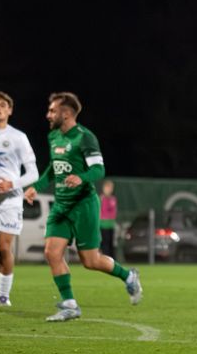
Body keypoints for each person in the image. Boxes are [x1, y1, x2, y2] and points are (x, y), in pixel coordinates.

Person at [23, 92, 142, 321]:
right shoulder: (53, 136)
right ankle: (70, 305)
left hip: (83, 205)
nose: (48, 115)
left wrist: (81, 177)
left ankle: (128, 276)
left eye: (52, 111)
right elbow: (53, 168)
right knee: (51, 252)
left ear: (66, 113)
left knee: (90, 261)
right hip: (61, 206)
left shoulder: (85, 137)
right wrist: (36, 186)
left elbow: (99, 170)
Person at [0, 92, 39, 307]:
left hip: (10, 201)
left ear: (10, 110)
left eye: (2, 105)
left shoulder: (18, 137)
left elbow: (33, 173)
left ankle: (4, 296)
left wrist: (12, 184)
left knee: (5, 248)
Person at [98, 180, 117, 257]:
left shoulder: (113, 199)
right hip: (103, 225)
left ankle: (112, 261)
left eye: (111, 188)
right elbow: (101, 211)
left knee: (111, 244)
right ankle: (106, 260)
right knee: (104, 245)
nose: (109, 189)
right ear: (104, 188)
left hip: (111, 225)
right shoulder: (101, 198)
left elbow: (113, 212)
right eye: (107, 187)